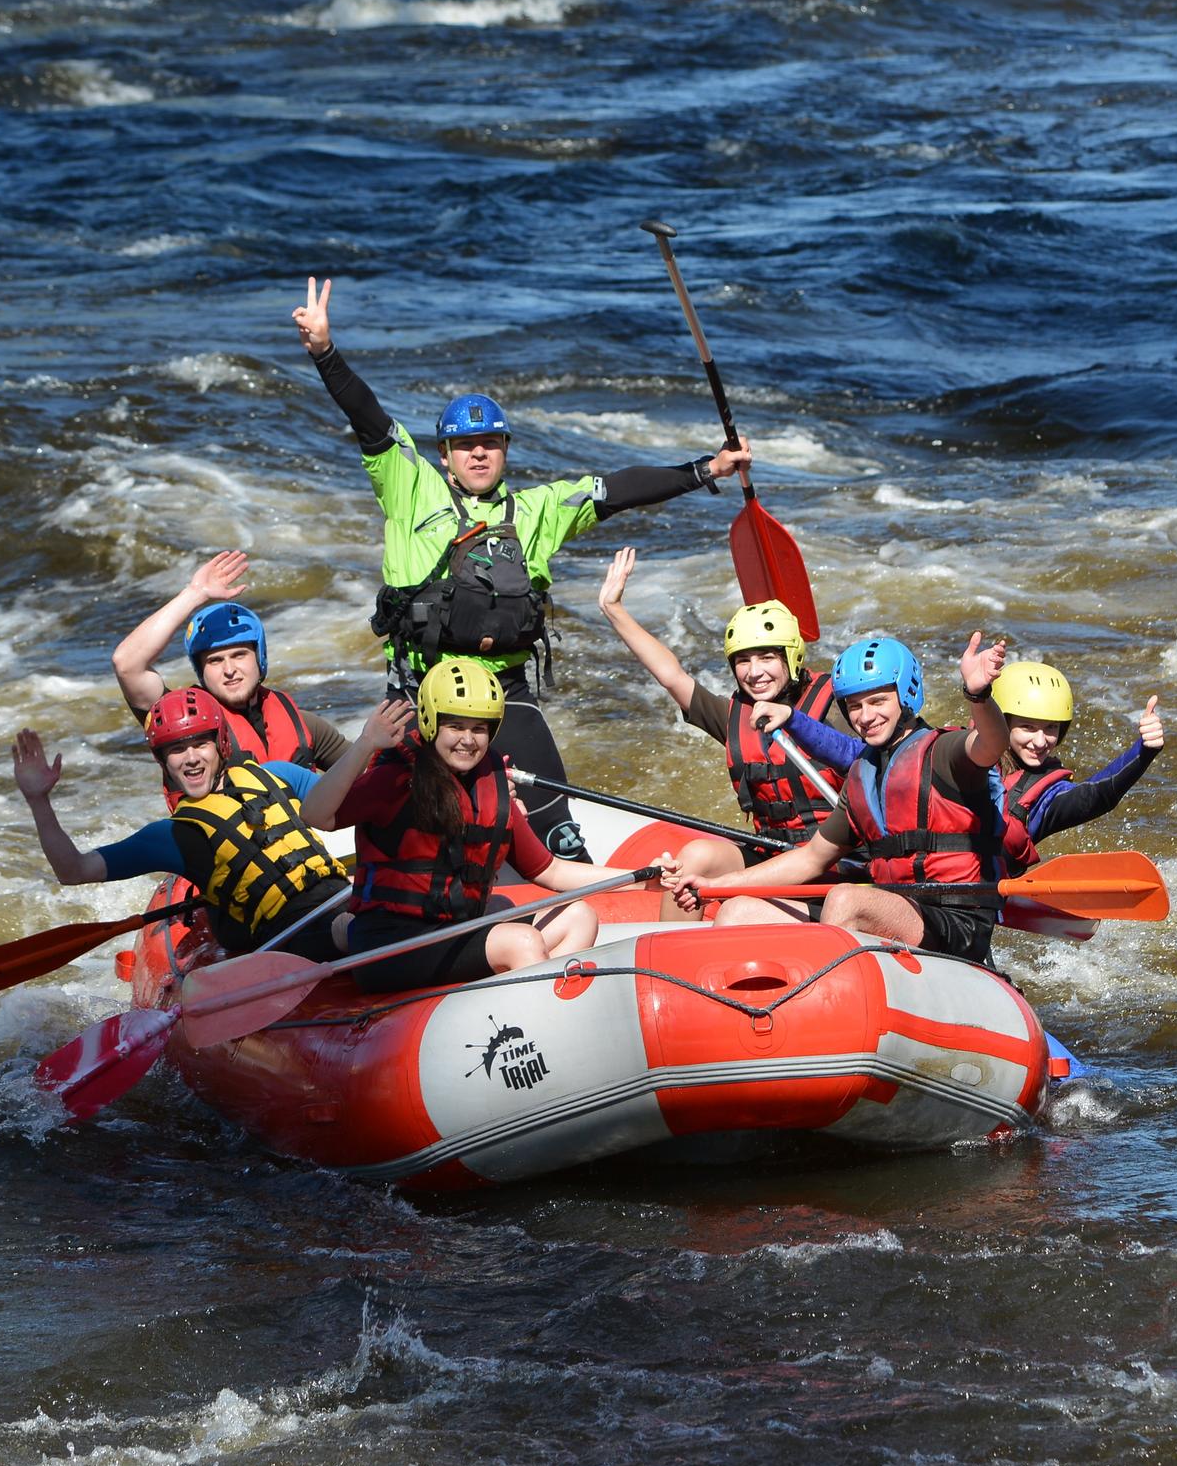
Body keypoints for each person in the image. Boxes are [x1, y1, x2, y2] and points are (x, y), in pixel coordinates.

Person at [291, 276, 752, 861]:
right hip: (416, 695)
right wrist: (325, 352)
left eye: (490, 442)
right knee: (398, 835)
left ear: (505, 449)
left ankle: (569, 905)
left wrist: (706, 468)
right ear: (444, 454)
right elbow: (368, 415)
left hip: (504, 695)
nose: (478, 452)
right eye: (465, 444)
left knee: (558, 827)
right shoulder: (407, 484)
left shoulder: (536, 511)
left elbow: (615, 489)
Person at [665, 634, 1013, 965]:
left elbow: (990, 743)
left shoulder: (945, 753)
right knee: (739, 911)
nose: (865, 716)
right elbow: (810, 860)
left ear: (906, 695)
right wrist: (715, 887)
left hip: (954, 920)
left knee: (845, 899)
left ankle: (825, 1005)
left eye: (878, 701)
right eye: (855, 706)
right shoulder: (863, 776)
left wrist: (977, 695)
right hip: (892, 904)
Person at [319, 658, 658, 993]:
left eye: (479, 728)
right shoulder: (395, 779)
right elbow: (317, 815)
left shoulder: (491, 788)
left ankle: (517, 1006)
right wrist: (364, 745)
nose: (468, 739)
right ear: (431, 722)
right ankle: (537, 1021)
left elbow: (551, 871)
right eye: (456, 726)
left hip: (454, 929)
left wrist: (644, 878)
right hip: (390, 944)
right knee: (520, 942)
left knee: (579, 917)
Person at [10, 686, 395, 962]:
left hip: (341, 897)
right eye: (176, 750)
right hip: (285, 939)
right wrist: (38, 800)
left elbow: (352, 805)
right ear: (163, 762)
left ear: (221, 745)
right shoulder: (172, 836)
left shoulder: (276, 775)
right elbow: (73, 870)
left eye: (199, 744)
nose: (190, 758)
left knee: (386, 910)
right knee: (352, 928)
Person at [596, 546, 853, 918]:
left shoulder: (839, 707)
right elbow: (672, 677)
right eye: (743, 661)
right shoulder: (735, 715)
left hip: (838, 866)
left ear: (791, 657)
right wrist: (613, 610)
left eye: (767, 658)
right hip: (771, 855)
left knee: (740, 909)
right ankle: (668, 962)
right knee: (695, 858)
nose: (754, 672)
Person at [110, 550, 352, 784]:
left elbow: (365, 770)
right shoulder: (181, 722)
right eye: (215, 660)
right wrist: (195, 593)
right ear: (200, 670)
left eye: (239, 655)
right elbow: (127, 664)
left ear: (259, 659)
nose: (229, 670)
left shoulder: (303, 725)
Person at [990, 662, 1164, 871]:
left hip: (981, 896)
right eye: (1028, 726)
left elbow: (1095, 795)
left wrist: (1144, 750)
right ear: (1001, 722)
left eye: (1051, 728)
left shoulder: (1045, 796)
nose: (1040, 741)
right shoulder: (963, 752)